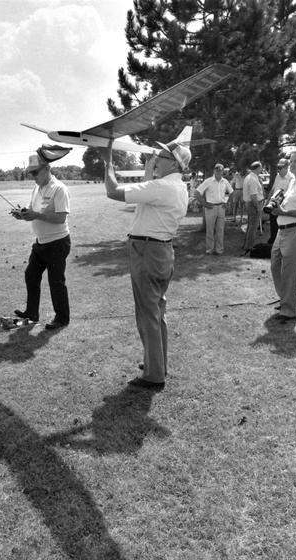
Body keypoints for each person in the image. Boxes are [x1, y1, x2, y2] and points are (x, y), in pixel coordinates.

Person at [100, 139, 191, 389]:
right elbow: (146, 188)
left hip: (147, 252)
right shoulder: (177, 187)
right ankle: (157, 363)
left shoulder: (161, 187)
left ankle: (153, 375)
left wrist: (107, 163)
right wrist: (151, 171)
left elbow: (112, 191)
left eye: (161, 156)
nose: (156, 158)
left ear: (173, 163)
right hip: (162, 250)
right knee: (157, 311)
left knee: (147, 314)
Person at [11, 150, 71, 330]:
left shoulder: (59, 188)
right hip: (41, 242)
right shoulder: (36, 189)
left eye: (35, 172)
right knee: (31, 275)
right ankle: (32, 313)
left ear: (47, 169)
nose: (32, 176)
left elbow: (61, 217)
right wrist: (23, 215)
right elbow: (32, 211)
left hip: (58, 243)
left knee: (56, 281)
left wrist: (36, 215)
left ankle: (62, 318)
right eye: (30, 173)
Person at [270, 148, 296, 323]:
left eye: (295, 161)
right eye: (290, 161)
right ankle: (288, 298)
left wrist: (284, 211)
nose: (291, 164)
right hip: (283, 230)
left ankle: (288, 310)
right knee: (275, 266)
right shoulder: (294, 180)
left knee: (288, 271)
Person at [194, 163, 233, 255]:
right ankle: (209, 250)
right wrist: (205, 204)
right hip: (210, 208)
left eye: (220, 170)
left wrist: (227, 202)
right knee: (210, 230)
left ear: (223, 171)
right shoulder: (208, 181)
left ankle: (219, 250)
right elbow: (197, 193)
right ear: (214, 170)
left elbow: (231, 192)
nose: (218, 171)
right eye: (217, 170)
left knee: (220, 230)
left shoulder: (225, 181)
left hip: (221, 208)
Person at [265, 158, 295, 244]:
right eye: (277, 167)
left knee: (281, 225)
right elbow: (272, 190)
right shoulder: (278, 176)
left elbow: (290, 194)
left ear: (286, 167)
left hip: (282, 205)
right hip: (272, 204)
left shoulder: (291, 178)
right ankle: (272, 240)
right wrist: (267, 203)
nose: (278, 170)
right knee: (273, 223)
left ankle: (280, 242)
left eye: (280, 168)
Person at [242, 161, 265, 255]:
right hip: (253, 204)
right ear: (257, 168)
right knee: (253, 226)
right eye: (261, 167)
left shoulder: (251, 177)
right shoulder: (252, 179)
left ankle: (246, 245)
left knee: (250, 225)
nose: (262, 169)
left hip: (251, 203)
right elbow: (253, 195)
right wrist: (258, 207)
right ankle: (249, 247)